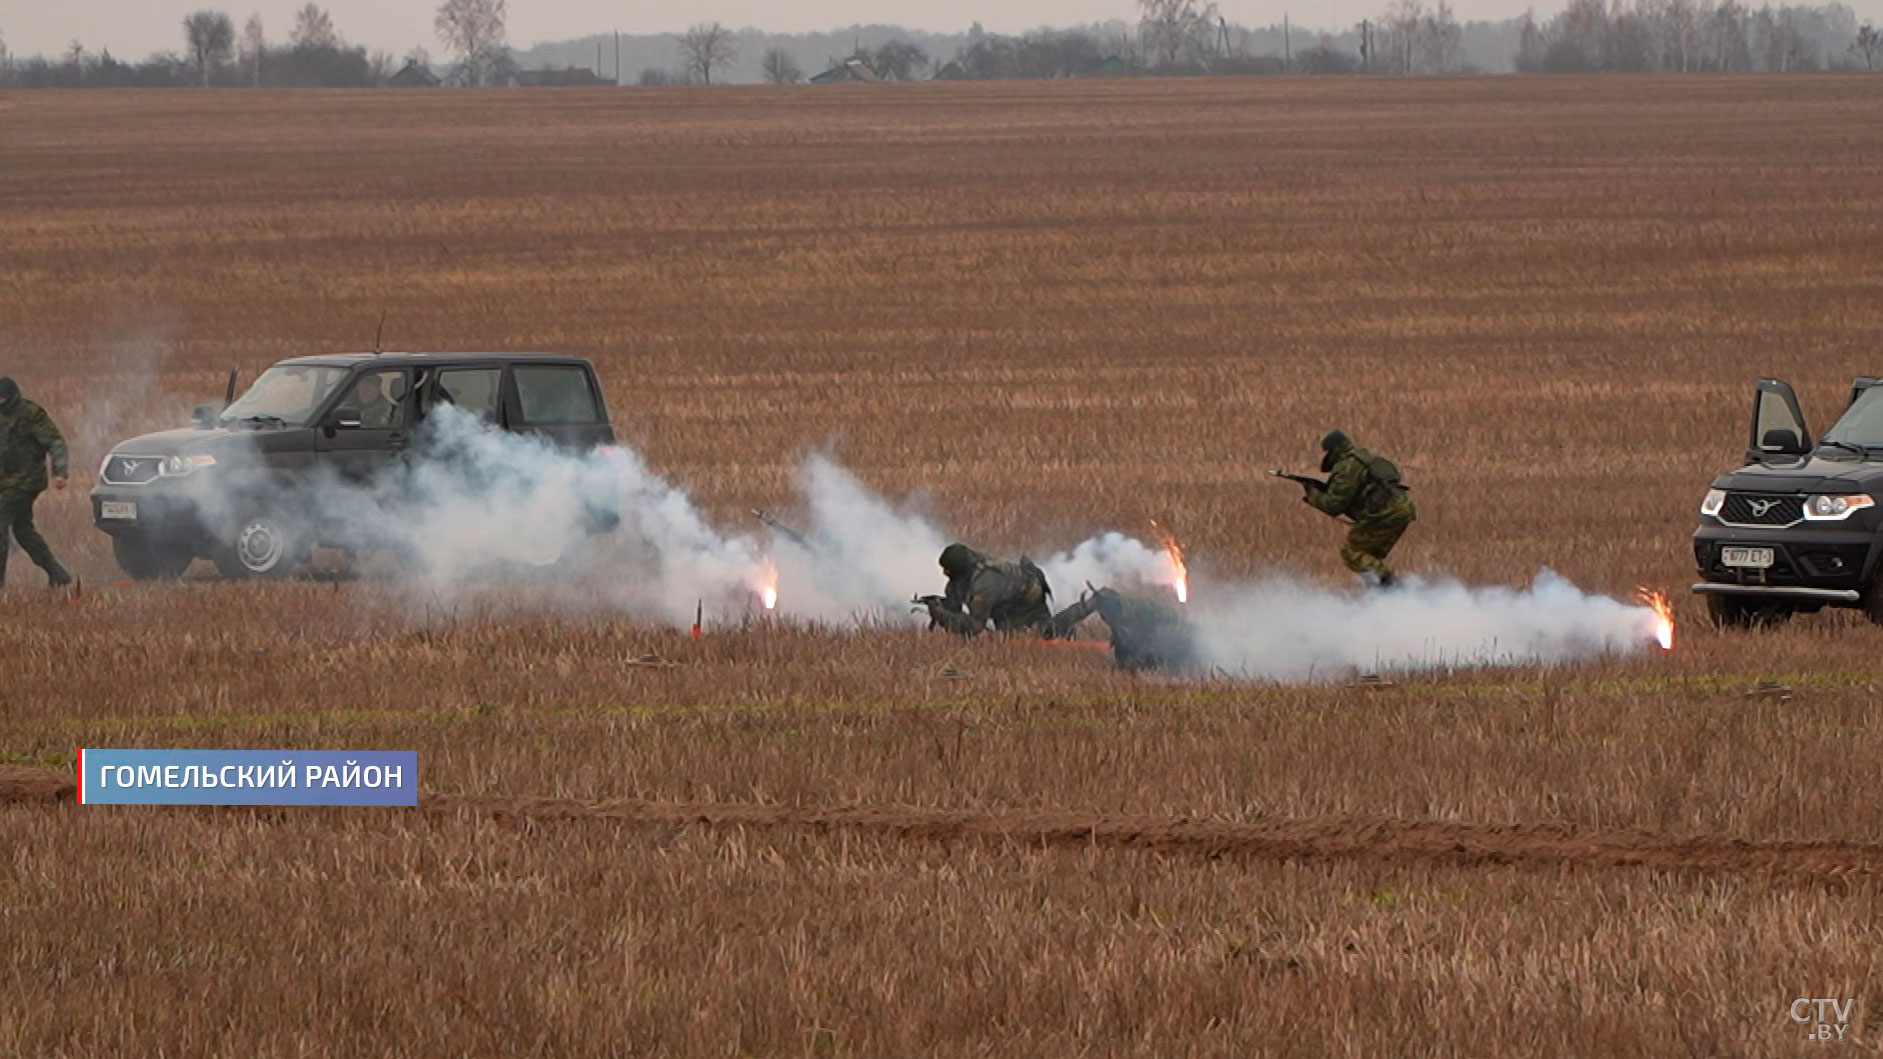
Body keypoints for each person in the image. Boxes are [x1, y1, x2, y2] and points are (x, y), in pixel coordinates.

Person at [1300, 430, 1416, 588]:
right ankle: (1378, 591)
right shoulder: (1365, 457)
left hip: (1384, 514)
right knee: (1368, 556)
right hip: (1402, 508)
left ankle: (1392, 589)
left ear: (1334, 451)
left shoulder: (1346, 466)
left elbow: (1334, 506)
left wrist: (1313, 495)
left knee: (1353, 553)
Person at [0, 377, 73, 588]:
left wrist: (60, 472)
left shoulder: (30, 414)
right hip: (6, 481)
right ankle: (57, 574)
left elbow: (55, 442)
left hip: (27, 481)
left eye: (3, 398)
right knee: (23, 530)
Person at [918, 542, 1055, 636]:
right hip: (1005, 602)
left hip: (1026, 602)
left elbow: (975, 626)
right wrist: (944, 606)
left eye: (947, 570)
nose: (944, 573)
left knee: (1027, 641)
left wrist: (941, 615)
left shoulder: (984, 582)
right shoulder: (963, 572)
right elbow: (956, 605)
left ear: (958, 569)